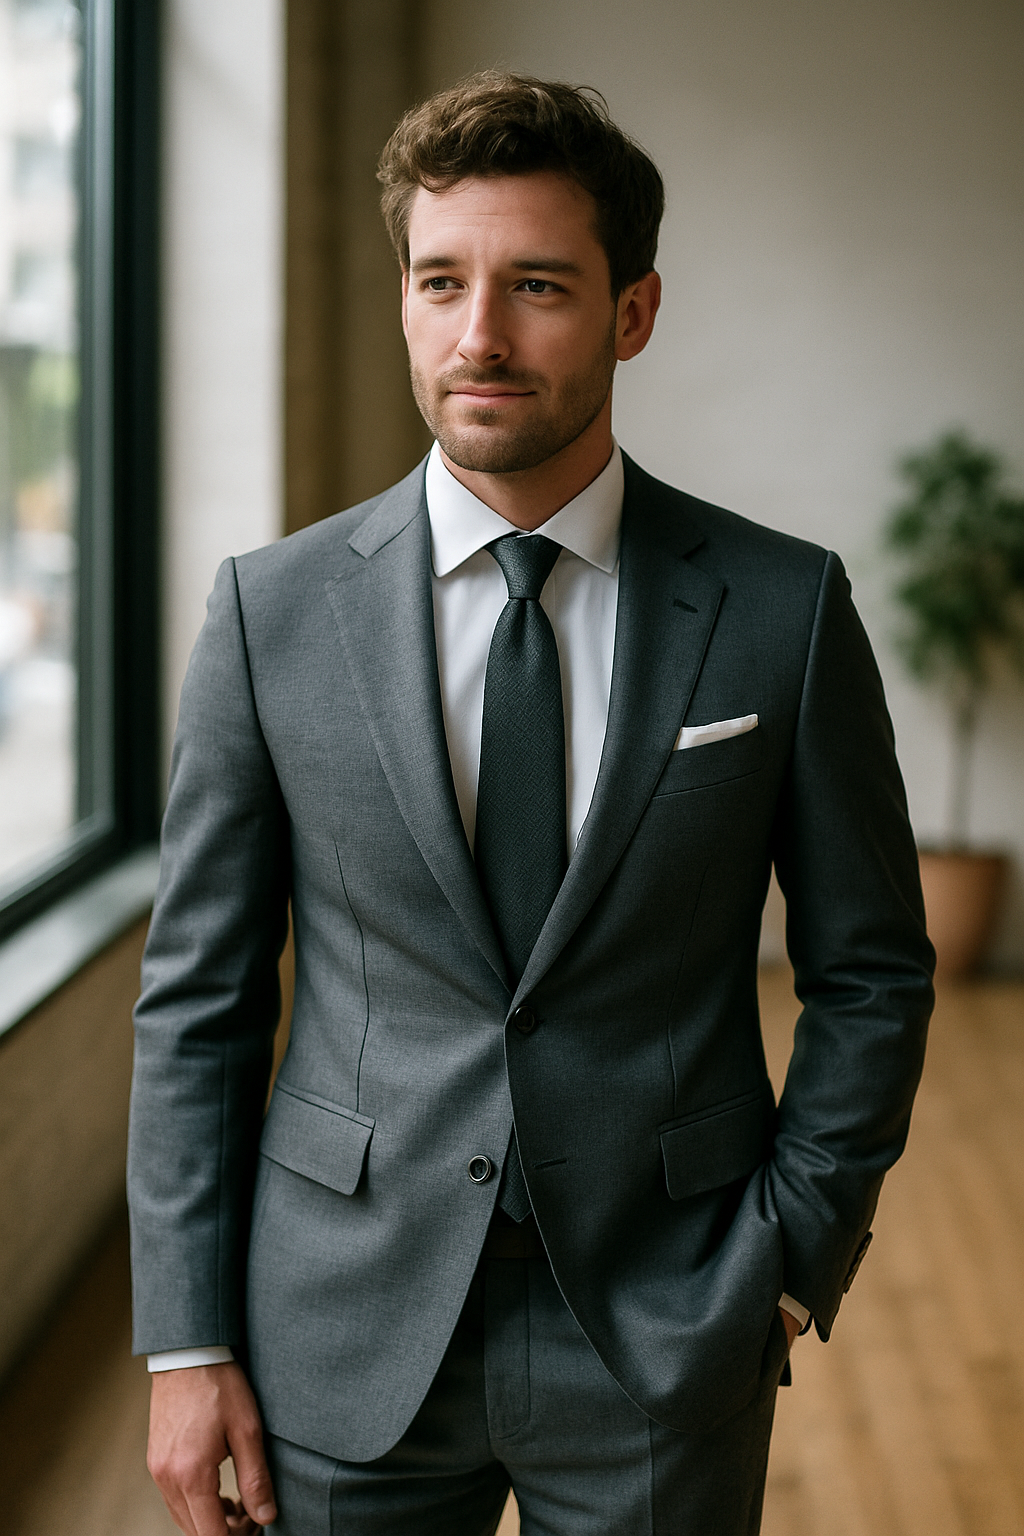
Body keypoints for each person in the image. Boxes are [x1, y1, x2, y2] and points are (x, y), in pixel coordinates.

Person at [128, 72, 934, 1536]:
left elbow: (872, 970)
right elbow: (198, 1001)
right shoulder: (272, 613)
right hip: (341, 1319)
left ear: (633, 311)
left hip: (665, 1313)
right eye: (441, 281)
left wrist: (795, 1256)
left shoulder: (780, 610)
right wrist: (187, 1344)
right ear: (405, 300)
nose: (479, 335)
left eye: (539, 285)